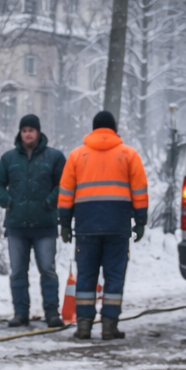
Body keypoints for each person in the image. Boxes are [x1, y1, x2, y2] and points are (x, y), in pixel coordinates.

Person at [57, 111, 149, 340]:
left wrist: (66, 224)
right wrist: (140, 221)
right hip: (117, 226)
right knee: (114, 276)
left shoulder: (77, 155)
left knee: (86, 275)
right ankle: (109, 325)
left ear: (93, 128)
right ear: (114, 129)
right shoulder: (129, 155)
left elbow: (66, 192)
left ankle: (84, 325)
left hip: (86, 226)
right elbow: (140, 191)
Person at [0, 114, 66, 328]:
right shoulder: (9, 159)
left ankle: (52, 313)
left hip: (45, 225)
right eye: (24, 131)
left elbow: (64, 183)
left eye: (31, 130)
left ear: (39, 132)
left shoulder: (54, 157)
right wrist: (6, 201)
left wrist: (51, 202)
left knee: (47, 269)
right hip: (16, 225)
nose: (27, 134)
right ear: (20, 133)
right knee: (17, 272)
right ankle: (20, 313)